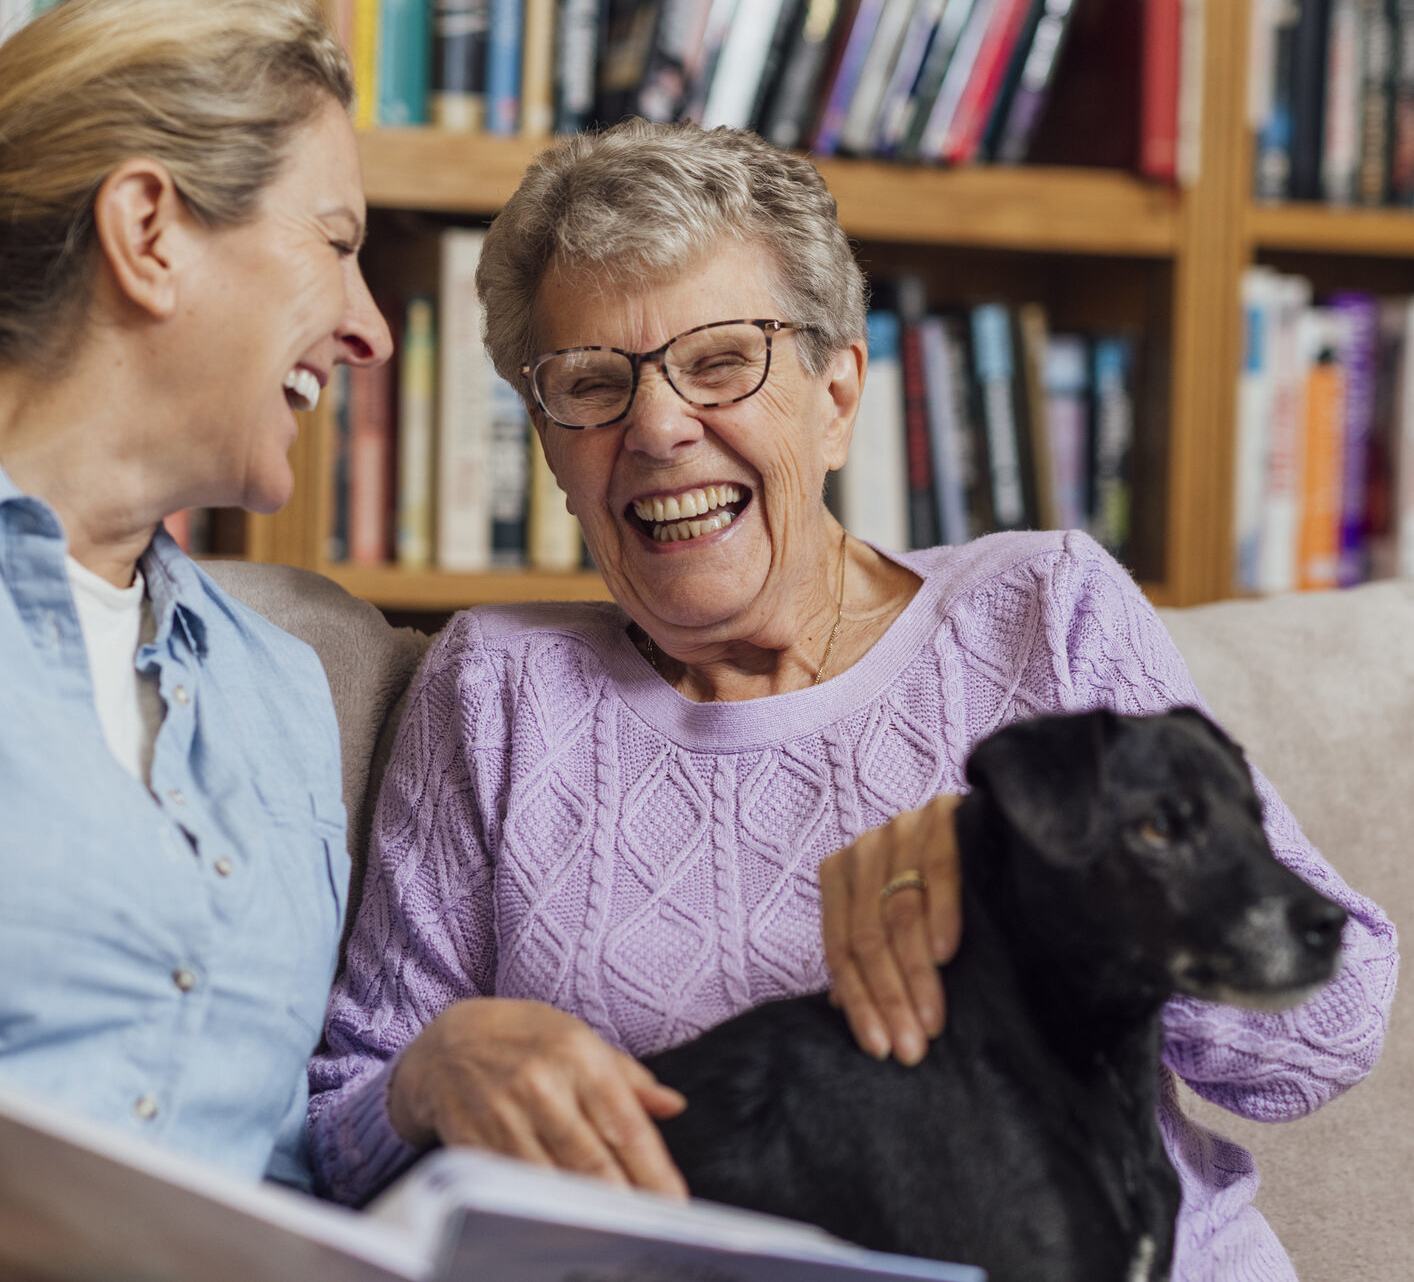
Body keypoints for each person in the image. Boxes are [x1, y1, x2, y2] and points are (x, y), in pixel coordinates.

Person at [308, 121, 1395, 1277]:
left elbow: (1324, 1036)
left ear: (837, 395)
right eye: (593, 384)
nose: (660, 426)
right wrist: (434, 1074)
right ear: (552, 446)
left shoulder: (1043, 610)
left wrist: (1038, 884)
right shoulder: (495, 689)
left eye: (720, 360)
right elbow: (339, 1135)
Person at [0, 0, 392, 1188]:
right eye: (336, 245)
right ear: (150, 233)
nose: (370, 329)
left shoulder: (284, 691)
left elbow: (278, 1161)